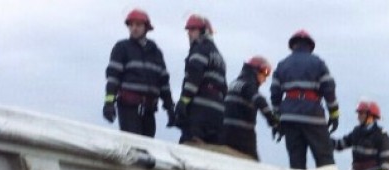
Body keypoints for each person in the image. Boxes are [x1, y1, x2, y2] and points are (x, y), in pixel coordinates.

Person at [270, 30, 339, 169]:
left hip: (289, 118)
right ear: (310, 46)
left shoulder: (282, 64)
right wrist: (334, 114)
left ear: (293, 45)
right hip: (313, 116)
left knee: (296, 164)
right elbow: (329, 90)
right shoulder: (318, 63)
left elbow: (275, 94)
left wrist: (277, 121)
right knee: (325, 160)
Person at [103, 9, 174, 137]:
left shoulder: (156, 53)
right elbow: (113, 78)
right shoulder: (122, 48)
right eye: (131, 25)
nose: (134, 28)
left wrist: (170, 109)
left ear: (146, 28)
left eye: (138, 25)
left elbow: (164, 84)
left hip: (149, 110)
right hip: (128, 107)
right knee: (134, 146)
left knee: (147, 148)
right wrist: (109, 103)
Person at [175, 15, 227, 144]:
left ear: (204, 32)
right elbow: (224, 88)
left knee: (189, 146)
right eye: (189, 31)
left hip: (199, 110)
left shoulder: (199, 50)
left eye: (193, 30)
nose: (189, 34)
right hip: (217, 113)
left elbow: (193, 79)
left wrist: (183, 102)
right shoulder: (219, 57)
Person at [222, 56, 280, 160]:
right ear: (256, 70)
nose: (265, 79)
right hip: (243, 135)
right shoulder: (249, 84)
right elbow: (260, 101)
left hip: (225, 133)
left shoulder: (233, 84)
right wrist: (274, 121)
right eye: (265, 73)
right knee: (253, 166)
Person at [333, 101, 389, 170]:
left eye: (361, 113)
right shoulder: (356, 132)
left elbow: (387, 159)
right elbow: (340, 145)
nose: (358, 116)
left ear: (371, 116)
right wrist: (324, 139)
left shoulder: (381, 135)